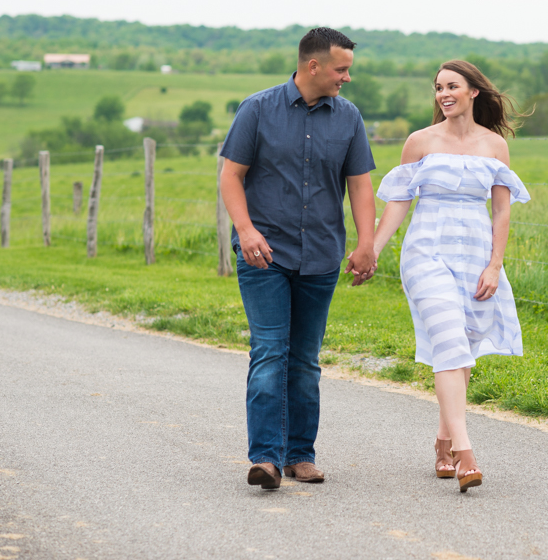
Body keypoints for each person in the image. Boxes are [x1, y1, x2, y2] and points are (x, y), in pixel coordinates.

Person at [219, 27, 377, 490]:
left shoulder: (348, 118)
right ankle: (266, 457)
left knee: (305, 360)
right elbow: (231, 176)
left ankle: (300, 455)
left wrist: (366, 242)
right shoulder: (257, 109)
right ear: (314, 66)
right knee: (270, 351)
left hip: (322, 256)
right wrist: (245, 230)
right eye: (341, 69)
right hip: (263, 255)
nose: (346, 78)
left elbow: (360, 184)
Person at [371, 60, 530, 493]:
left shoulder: (495, 146)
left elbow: (501, 210)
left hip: (475, 252)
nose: (443, 94)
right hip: (426, 252)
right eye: (438, 87)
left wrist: (495, 265)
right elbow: (399, 202)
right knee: (448, 339)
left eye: (452, 86)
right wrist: (372, 250)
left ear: (473, 92)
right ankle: (465, 454)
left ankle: (443, 441)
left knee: (461, 347)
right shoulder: (419, 142)